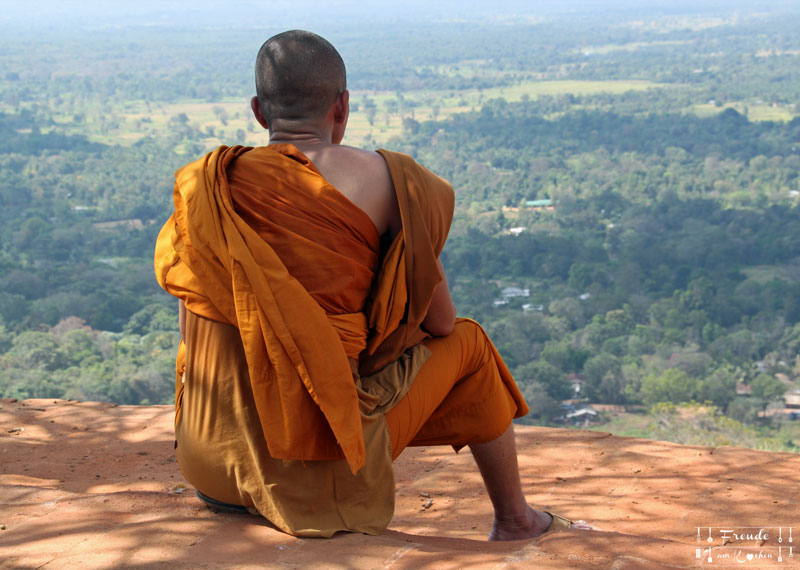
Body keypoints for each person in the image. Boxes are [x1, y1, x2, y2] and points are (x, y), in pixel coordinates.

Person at [154, 29, 589, 540]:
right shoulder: (391, 182)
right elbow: (441, 322)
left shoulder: (207, 186)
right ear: (342, 107)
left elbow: (191, 328)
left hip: (211, 461)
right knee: (469, 343)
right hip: (311, 472)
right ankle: (516, 520)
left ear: (258, 111)